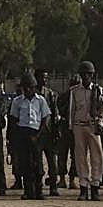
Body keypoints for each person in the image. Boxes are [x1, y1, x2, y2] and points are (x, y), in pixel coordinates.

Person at [68, 60, 103, 201]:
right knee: (80, 158)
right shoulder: (75, 91)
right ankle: (83, 187)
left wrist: (100, 123)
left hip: (93, 125)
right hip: (79, 125)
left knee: (97, 157)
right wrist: (71, 128)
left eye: (88, 74)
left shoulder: (98, 90)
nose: (86, 77)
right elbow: (72, 110)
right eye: (83, 74)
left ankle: (95, 186)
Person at [9, 72, 51, 200]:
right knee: (25, 163)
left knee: (37, 163)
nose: (27, 90)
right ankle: (28, 191)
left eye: (30, 87)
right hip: (22, 133)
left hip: (36, 133)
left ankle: (39, 190)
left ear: (34, 87)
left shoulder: (41, 100)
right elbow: (13, 119)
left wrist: (38, 135)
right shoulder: (17, 101)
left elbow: (46, 117)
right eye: (25, 87)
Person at [35, 69, 60, 197]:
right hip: (36, 132)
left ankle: (53, 186)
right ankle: (38, 186)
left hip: (49, 132)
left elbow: (55, 113)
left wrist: (56, 131)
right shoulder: (32, 94)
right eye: (42, 77)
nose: (44, 80)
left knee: (52, 161)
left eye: (46, 78)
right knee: (37, 161)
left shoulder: (50, 94)